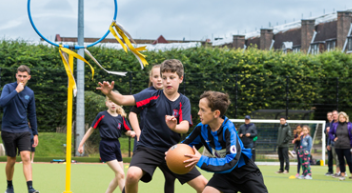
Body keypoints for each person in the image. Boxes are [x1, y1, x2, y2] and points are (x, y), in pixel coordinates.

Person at [97, 59, 208, 193]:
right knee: (132, 175)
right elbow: (123, 100)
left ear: (180, 79)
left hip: (172, 151)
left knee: (203, 185)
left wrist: (174, 127)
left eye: (172, 77)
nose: (167, 81)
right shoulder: (151, 95)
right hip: (147, 148)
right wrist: (109, 93)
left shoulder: (184, 101)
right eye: (164, 77)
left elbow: (184, 127)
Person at [181, 91, 268, 193]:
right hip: (224, 175)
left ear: (216, 113)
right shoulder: (201, 128)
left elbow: (231, 161)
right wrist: (172, 151)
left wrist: (201, 160)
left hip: (245, 173)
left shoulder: (229, 129)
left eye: (203, 110)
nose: (198, 113)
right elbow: (185, 145)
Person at [128, 64, 176, 193]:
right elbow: (132, 113)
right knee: (134, 176)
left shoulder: (171, 95)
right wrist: (138, 133)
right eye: (156, 76)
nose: (159, 79)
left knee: (170, 176)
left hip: (165, 144)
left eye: (162, 76)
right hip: (147, 144)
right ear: (151, 78)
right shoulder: (146, 94)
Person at [78, 95, 136, 193]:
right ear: (106, 103)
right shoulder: (102, 115)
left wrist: (132, 133)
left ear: (119, 103)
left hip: (116, 146)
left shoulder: (121, 118)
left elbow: (127, 131)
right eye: (110, 101)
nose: (113, 103)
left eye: (115, 101)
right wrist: (81, 144)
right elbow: (91, 130)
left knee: (119, 176)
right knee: (121, 174)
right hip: (106, 146)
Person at [0, 65, 39, 193]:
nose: (22, 79)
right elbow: (2, 103)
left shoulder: (30, 93)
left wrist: (35, 133)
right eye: (20, 76)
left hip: (23, 130)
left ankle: (30, 188)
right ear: (16, 75)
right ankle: (9, 186)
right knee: (11, 159)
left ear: (29, 77)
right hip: (8, 129)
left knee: (26, 157)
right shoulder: (8, 88)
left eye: (24, 76)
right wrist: (16, 91)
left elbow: (32, 114)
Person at [328, 111, 352, 181]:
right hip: (338, 146)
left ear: (345, 118)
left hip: (347, 146)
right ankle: (342, 175)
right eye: (340, 117)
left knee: (349, 161)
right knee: (341, 161)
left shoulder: (349, 125)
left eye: (343, 117)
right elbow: (330, 133)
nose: (341, 118)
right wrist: (333, 138)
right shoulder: (335, 125)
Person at [329, 110, 341, 177]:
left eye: (335, 114)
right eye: (333, 114)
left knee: (338, 158)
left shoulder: (341, 123)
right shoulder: (332, 123)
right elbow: (330, 133)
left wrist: (338, 138)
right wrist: (332, 140)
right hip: (333, 143)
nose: (334, 115)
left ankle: (340, 172)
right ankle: (338, 172)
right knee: (335, 158)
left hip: (340, 143)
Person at [324, 112, 334, 176]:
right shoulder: (327, 124)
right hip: (328, 142)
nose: (329, 116)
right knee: (330, 157)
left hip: (336, 142)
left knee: (338, 157)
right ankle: (330, 171)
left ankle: (342, 171)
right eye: (328, 115)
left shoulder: (336, 124)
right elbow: (325, 132)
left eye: (330, 115)